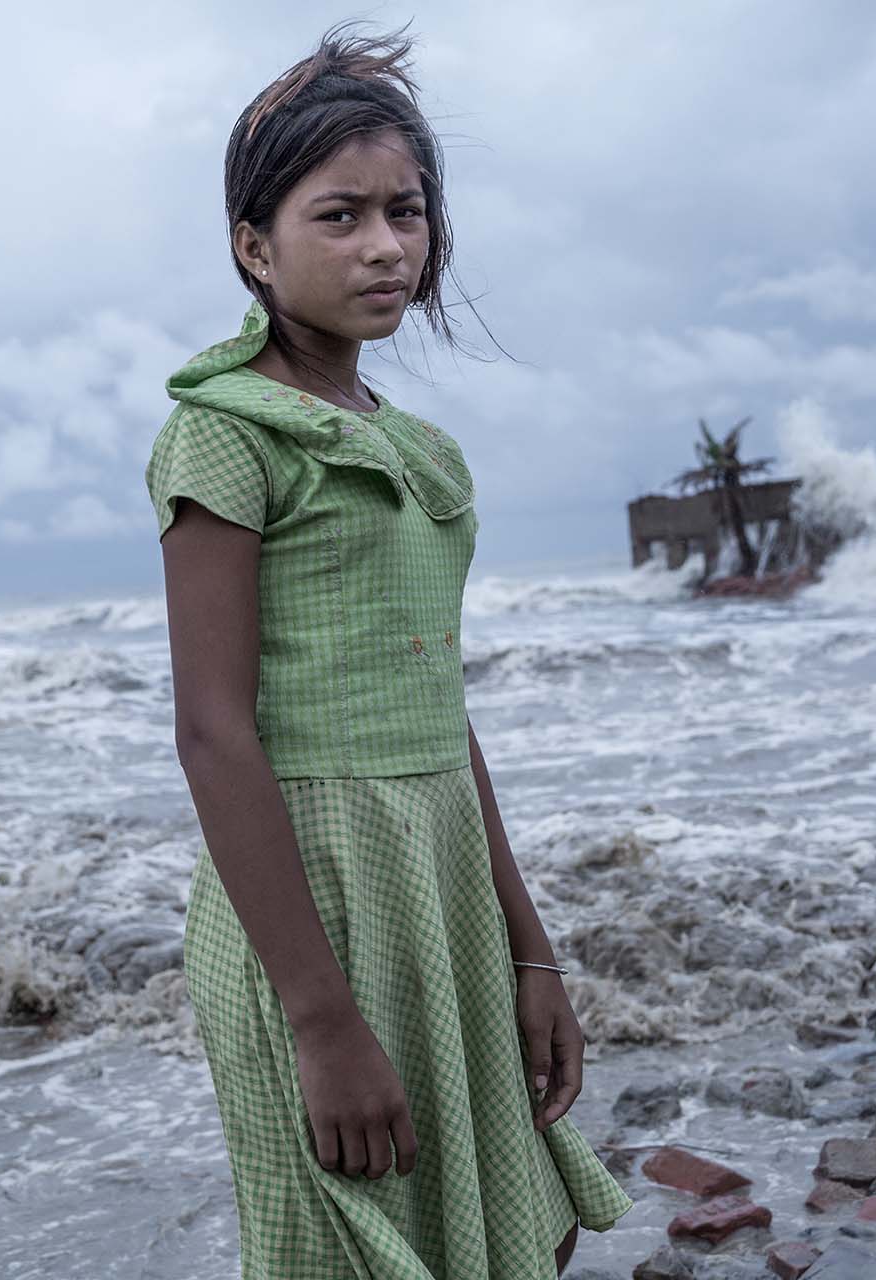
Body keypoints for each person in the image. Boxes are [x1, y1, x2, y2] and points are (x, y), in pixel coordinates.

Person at [146, 27, 630, 1279]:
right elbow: (214, 731)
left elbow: (440, 708)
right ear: (256, 246)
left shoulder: (422, 452)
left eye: (406, 211)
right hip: (314, 899)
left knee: (510, 1217)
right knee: (346, 1241)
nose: (384, 245)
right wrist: (320, 1020)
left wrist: (531, 950)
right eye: (340, 214)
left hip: (442, 886)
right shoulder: (227, 440)